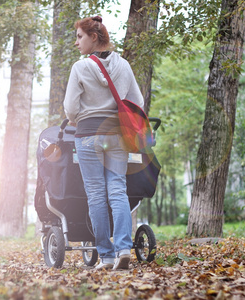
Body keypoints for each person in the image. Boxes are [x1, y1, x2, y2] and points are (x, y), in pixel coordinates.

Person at [63, 16, 144, 270]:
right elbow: (137, 102)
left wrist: (81, 118)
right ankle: (123, 248)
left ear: (93, 37)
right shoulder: (124, 65)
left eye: (79, 37)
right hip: (117, 135)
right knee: (118, 190)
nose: (77, 43)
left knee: (96, 195)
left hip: (88, 135)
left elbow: (70, 108)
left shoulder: (80, 67)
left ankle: (107, 257)